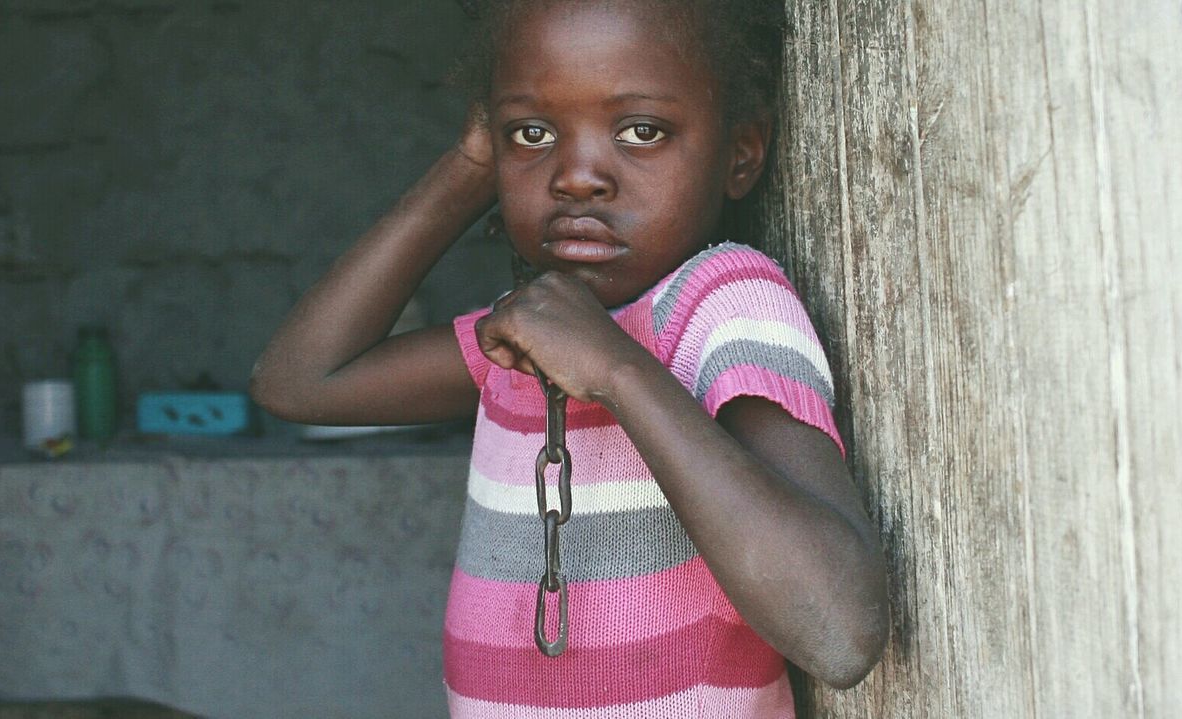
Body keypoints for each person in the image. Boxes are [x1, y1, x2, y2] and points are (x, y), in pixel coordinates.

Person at [250, 0, 889, 715]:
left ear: (741, 151)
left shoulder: (724, 300)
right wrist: (470, 165)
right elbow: (298, 382)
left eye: (642, 130)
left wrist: (615, 370)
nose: (577, 176)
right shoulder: (529, 331)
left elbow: (839, 631)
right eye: (532, 132)